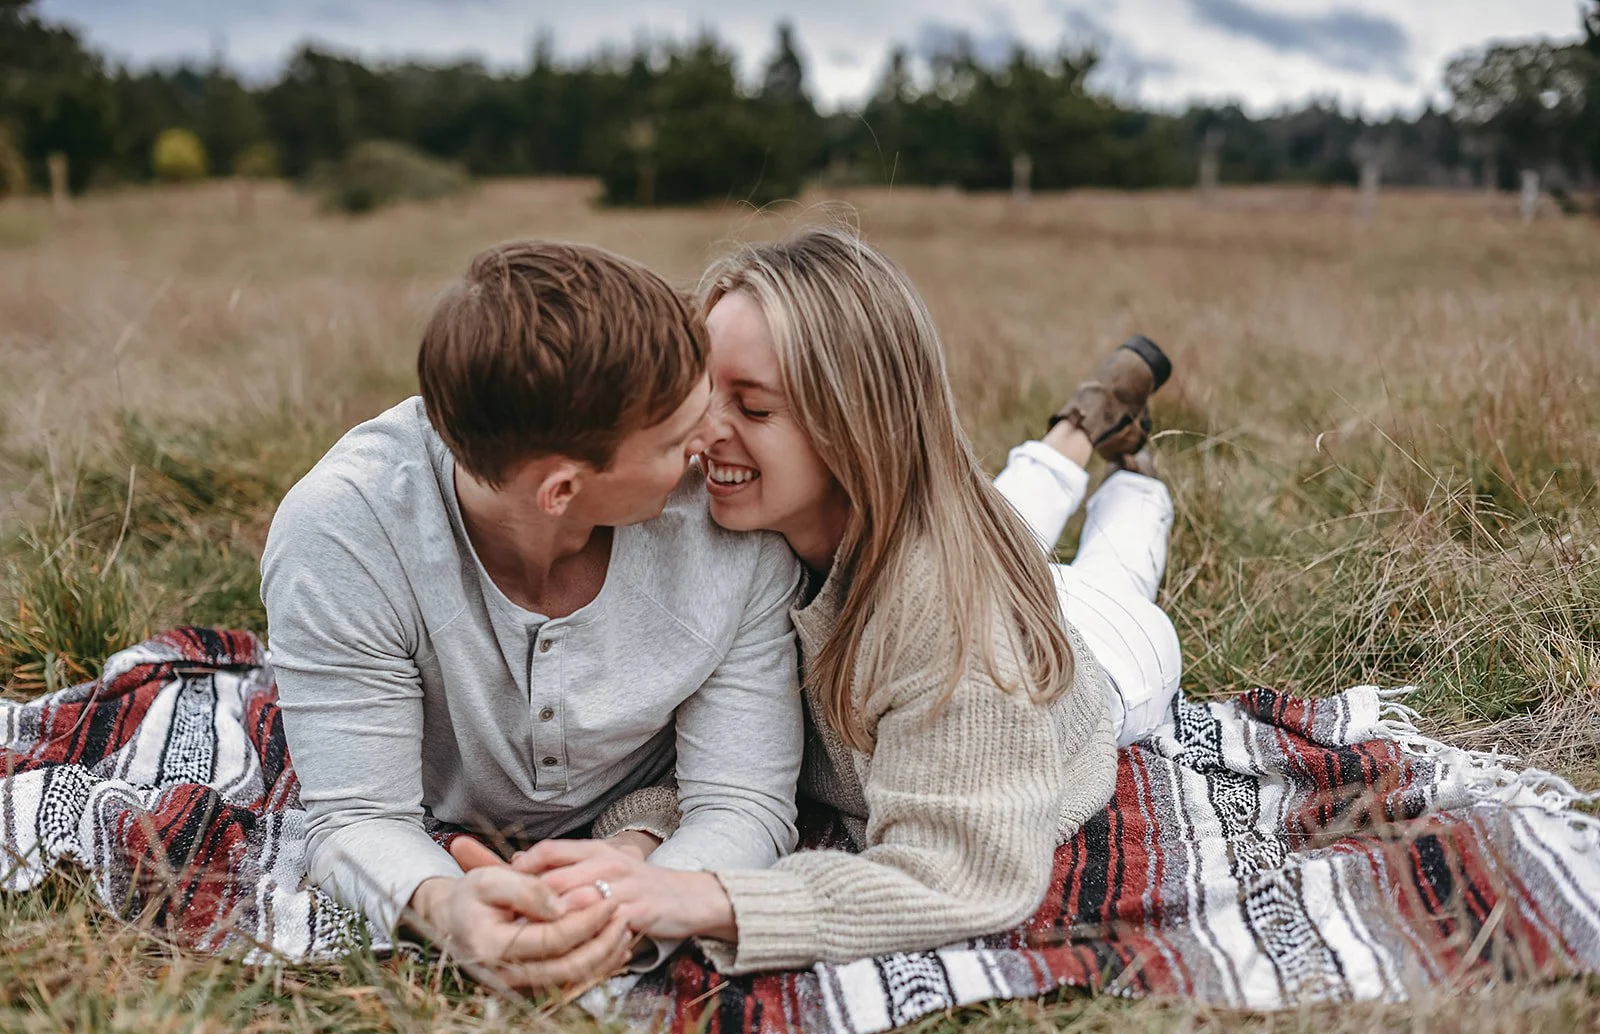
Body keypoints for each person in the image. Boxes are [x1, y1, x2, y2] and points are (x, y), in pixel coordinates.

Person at [514, 227, 1184, 973]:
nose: (701, 436)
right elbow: (712, 751)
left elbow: (962, 872)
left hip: (1109, 658)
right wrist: (639, 844)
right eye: (704, 394)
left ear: (855, 422)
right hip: (943, 547)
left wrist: (703, 899)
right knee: (1006, 506)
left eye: (755, 409)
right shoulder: (740, 520)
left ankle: (1138, 477)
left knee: (1116, 565)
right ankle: (1083, 421)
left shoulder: (956, 620)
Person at [260, 240, 806, 989]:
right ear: (560, 491)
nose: (710, 447)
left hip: (651, 820)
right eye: (676, 441)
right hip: (446, 825)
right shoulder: (343, 531)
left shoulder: (735, 531)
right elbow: (356, 817)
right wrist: (446, 910)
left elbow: (742, 800)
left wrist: (636, 900)